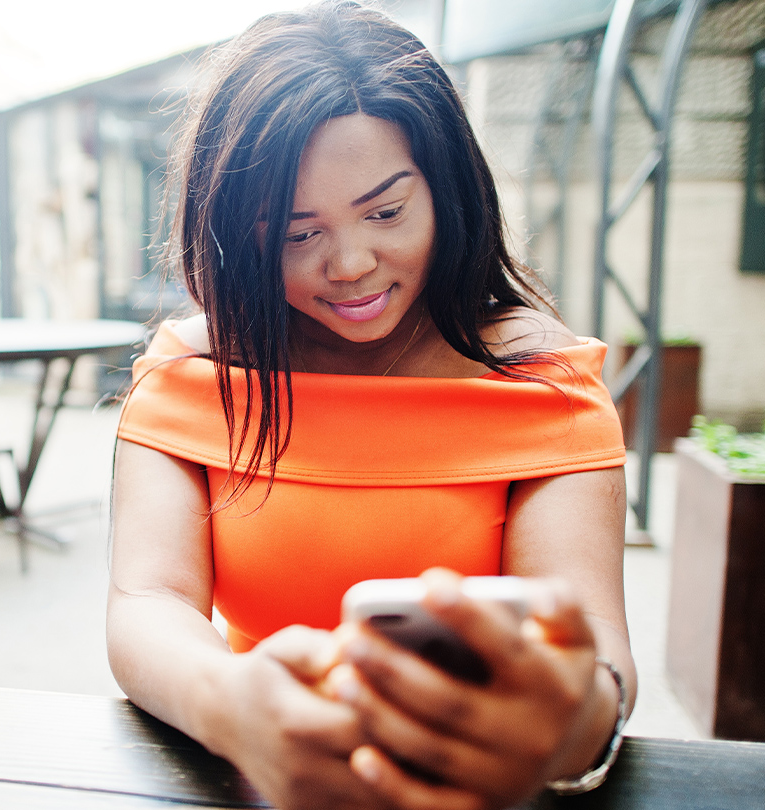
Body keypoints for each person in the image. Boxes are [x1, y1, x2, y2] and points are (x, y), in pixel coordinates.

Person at [107, 3, 635, 808]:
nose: (351, 265)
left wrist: (565, 723)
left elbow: (597, 663)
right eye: (295, 234)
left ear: (448, 191)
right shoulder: (195, 371)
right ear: (234, 233)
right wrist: (230, 704)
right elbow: (149, 602)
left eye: (386, 212)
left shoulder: (538, 378)